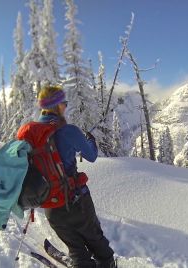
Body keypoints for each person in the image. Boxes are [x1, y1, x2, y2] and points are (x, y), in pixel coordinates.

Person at [32, 85, 115, 268]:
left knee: (76, 249)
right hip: (77, 201)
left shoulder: (31, 134)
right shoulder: (69, 131)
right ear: (57, 106)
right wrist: (91, 141)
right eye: (64, 103)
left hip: (51, 206)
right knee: (96, 240)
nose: (66, 107)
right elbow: (91, 156)